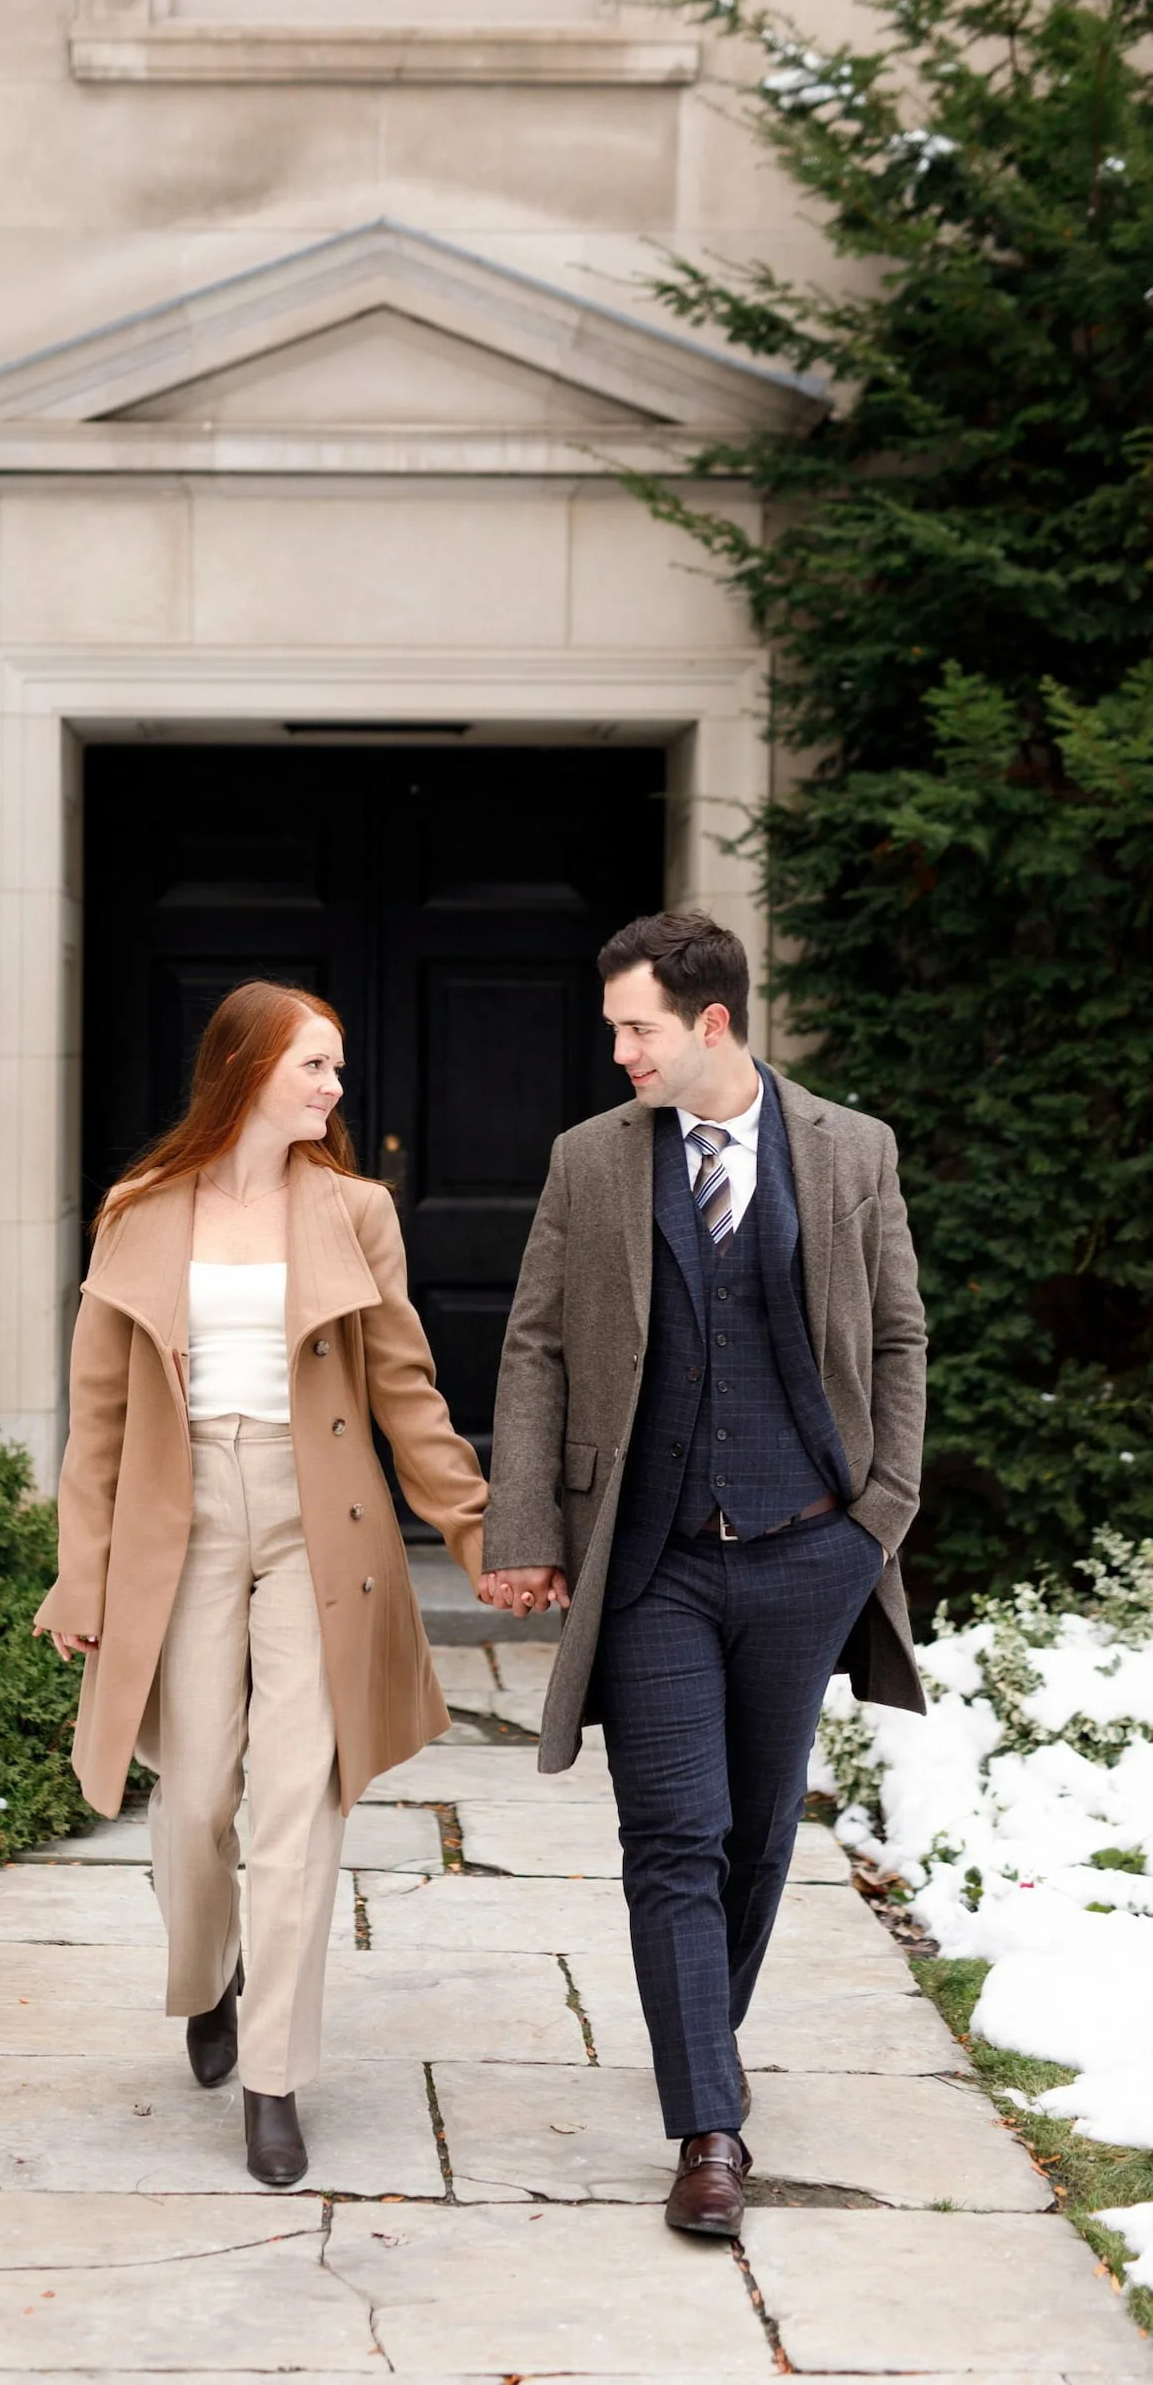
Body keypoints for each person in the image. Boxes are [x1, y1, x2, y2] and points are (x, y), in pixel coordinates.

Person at [478, 911, 927, 2239]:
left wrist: (876, 1518)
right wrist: (523, 1531)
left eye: (636, 1029)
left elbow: (895, 1340)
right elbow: (535, 1349)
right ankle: (706, 2130)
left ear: (710, 1025)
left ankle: (694, 2046)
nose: (615, 1049)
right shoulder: (589, 1163)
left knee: (754, 1835)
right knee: (670, 1835)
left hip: (808, 1548)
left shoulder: (849, 1150)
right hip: (654, 1559)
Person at [33, 980, 487, 2188]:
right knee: (191, 1805)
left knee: (298, 1802)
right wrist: (82, 1576)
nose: (336, 1090)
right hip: (176, 1519)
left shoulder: (354, 1210)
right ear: (244, 1069)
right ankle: (207, 1978)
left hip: (315, 1517)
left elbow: (405, 1389)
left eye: (336, 1069)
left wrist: (476, 1529)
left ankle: (273, 2079)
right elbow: (97, 1419)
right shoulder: (139, 1208)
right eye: (315, 1068)